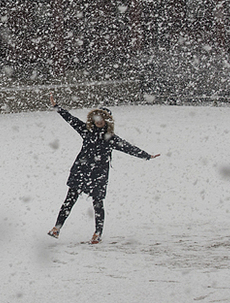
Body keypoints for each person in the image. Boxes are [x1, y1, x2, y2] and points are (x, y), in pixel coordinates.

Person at [47, 96, 159, 243]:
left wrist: (146, 156)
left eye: (102, 120)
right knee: (69, 199)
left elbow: (129, 148)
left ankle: (98, 233)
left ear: (107, 121)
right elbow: (71, 119)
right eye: (97, 119)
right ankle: (57, 228)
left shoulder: (111, 138)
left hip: (99, 174)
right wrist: (57, 107)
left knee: (98, 203)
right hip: (81, 170)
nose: (99, 122)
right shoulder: (86, 131)